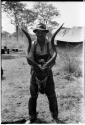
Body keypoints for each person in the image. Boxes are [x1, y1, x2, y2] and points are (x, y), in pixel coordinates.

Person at [22, 23, 63, 123]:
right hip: (35, 71)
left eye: (42, 32)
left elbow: (53, 59)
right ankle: (32, 117)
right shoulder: (32, 44)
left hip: (47, 71)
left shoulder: (50, 43)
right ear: (35, 33)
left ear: (45, 33)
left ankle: (55, 116)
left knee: (51, 94)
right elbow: (29, 58)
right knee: (33, 95)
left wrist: (46, 67)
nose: (40, 34)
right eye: (38, 32)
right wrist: (36, 67)